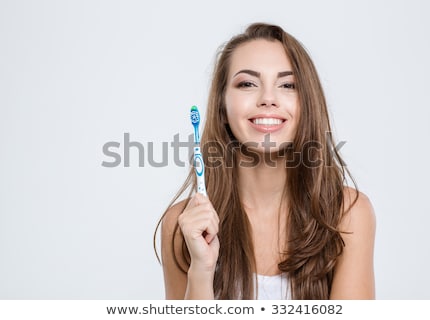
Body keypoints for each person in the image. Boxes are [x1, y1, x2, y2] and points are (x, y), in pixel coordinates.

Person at [154, 22, 376, 300]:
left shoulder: (348, 214)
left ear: (307, 104)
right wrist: (201, 269)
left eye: (287, 85)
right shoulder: (182, 224)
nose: (268, 98)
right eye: (247, 84)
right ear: (222, 107)